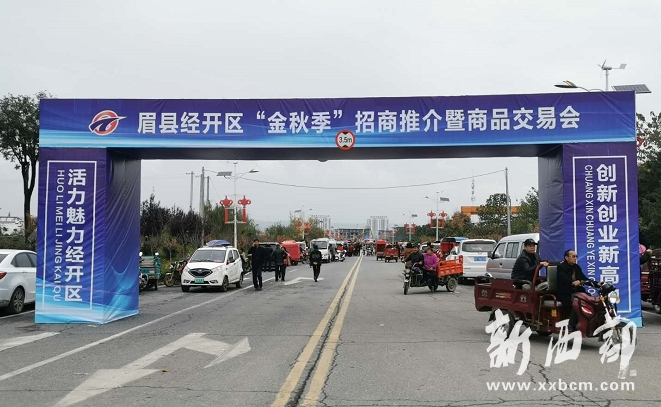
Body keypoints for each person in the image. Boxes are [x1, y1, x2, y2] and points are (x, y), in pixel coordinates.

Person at [557, 249, 594, 332]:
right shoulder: (561, 267)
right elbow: (564, 279)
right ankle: (571, 323)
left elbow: (584, 278)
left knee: (590, 299)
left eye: (576, 256)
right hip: (565, 293)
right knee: (577, 302)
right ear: (566, 258)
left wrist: (597, 284)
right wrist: (573, 282)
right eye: (573, 256)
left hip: (578, 292)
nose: (575, 258)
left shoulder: (576, 267)